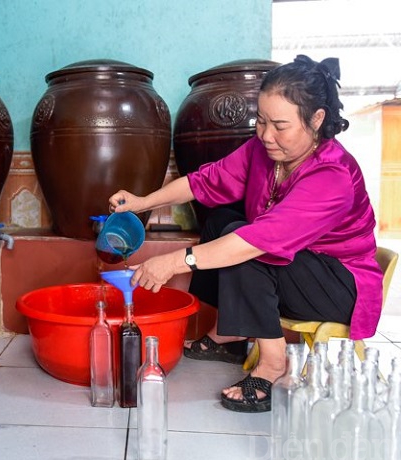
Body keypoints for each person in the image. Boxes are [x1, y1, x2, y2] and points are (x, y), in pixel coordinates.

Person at [107, 55, 383, 413]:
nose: (266, 135)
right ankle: (231, 334)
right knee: (221, 219)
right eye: (262, 121)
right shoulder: (264, 152)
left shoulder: (333, 175)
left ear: (316, 120)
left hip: (338, 285)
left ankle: (273, 365)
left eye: (280, 125)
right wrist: (143, 202)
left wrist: (174, 262)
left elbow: (260, 239)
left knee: (246, 243)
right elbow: (205, 182)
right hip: (297, 268)